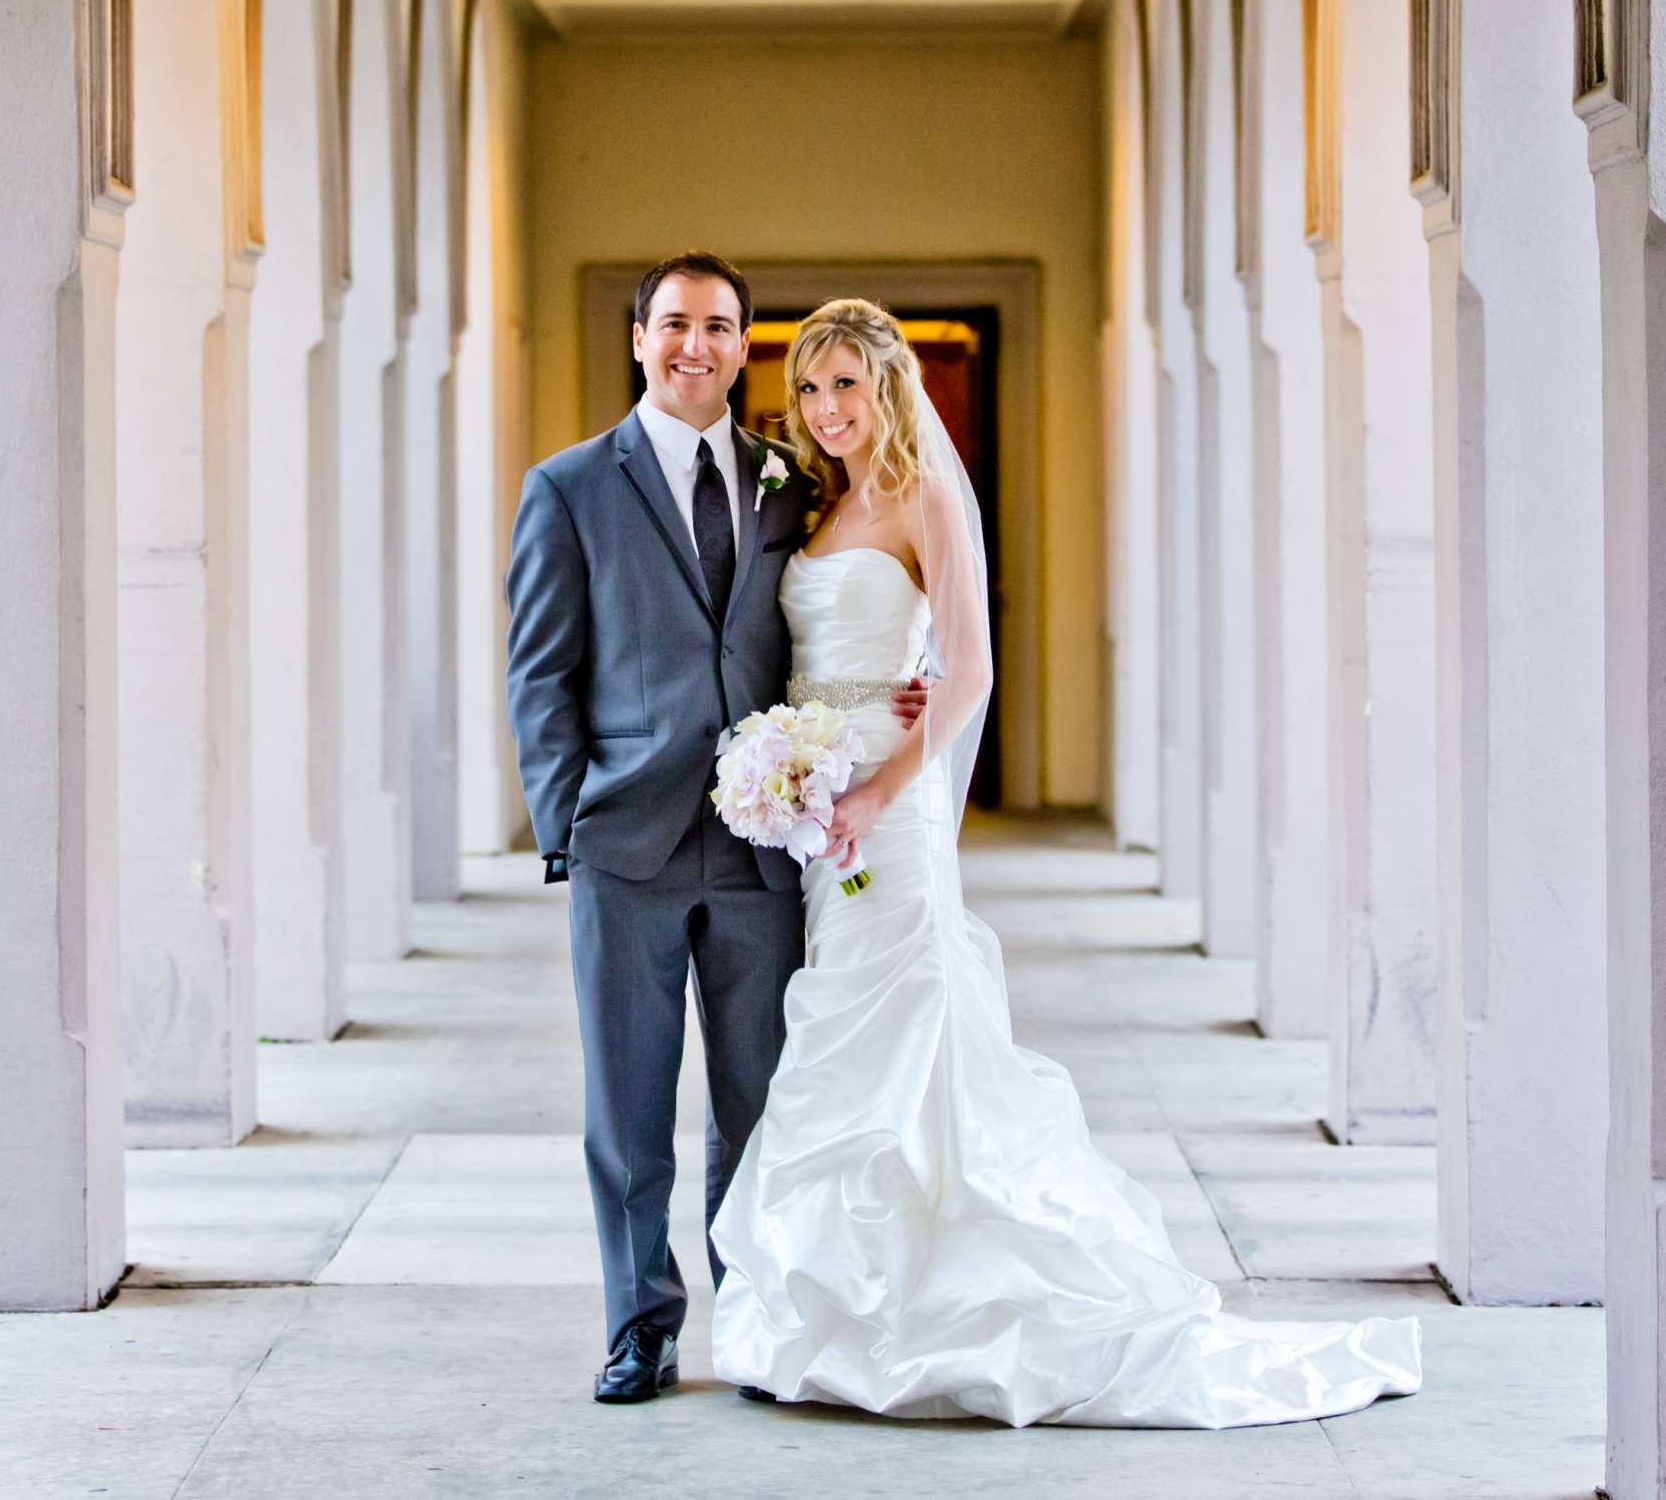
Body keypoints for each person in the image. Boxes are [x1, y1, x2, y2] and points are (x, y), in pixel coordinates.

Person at [704, 298, 1424, 1428]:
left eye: (846, 385)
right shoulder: (816, 505)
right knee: (840, 1027)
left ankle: (927, 1297)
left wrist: (884, 785)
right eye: (808, 388)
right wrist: (790, 765)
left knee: (899, 1017)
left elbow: (971, 670)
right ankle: (842, 1302)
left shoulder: (929, 497)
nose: (825, 409)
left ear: (888, 387)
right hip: (815, 808)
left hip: (882, 810)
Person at [503, 253, 925, 1404]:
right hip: (624, 846)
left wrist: (897, 702)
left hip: (763, 849)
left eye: (723, 326)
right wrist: (567, 823)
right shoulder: (569, 488)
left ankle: (751, 1317)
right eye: (676, 323)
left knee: (759, 1099)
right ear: (639, 337)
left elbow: (866, 604)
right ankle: (641, 1325)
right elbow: (540, 674)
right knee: (630, 1114)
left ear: (747, 347)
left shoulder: (797, 482)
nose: (699, 344)